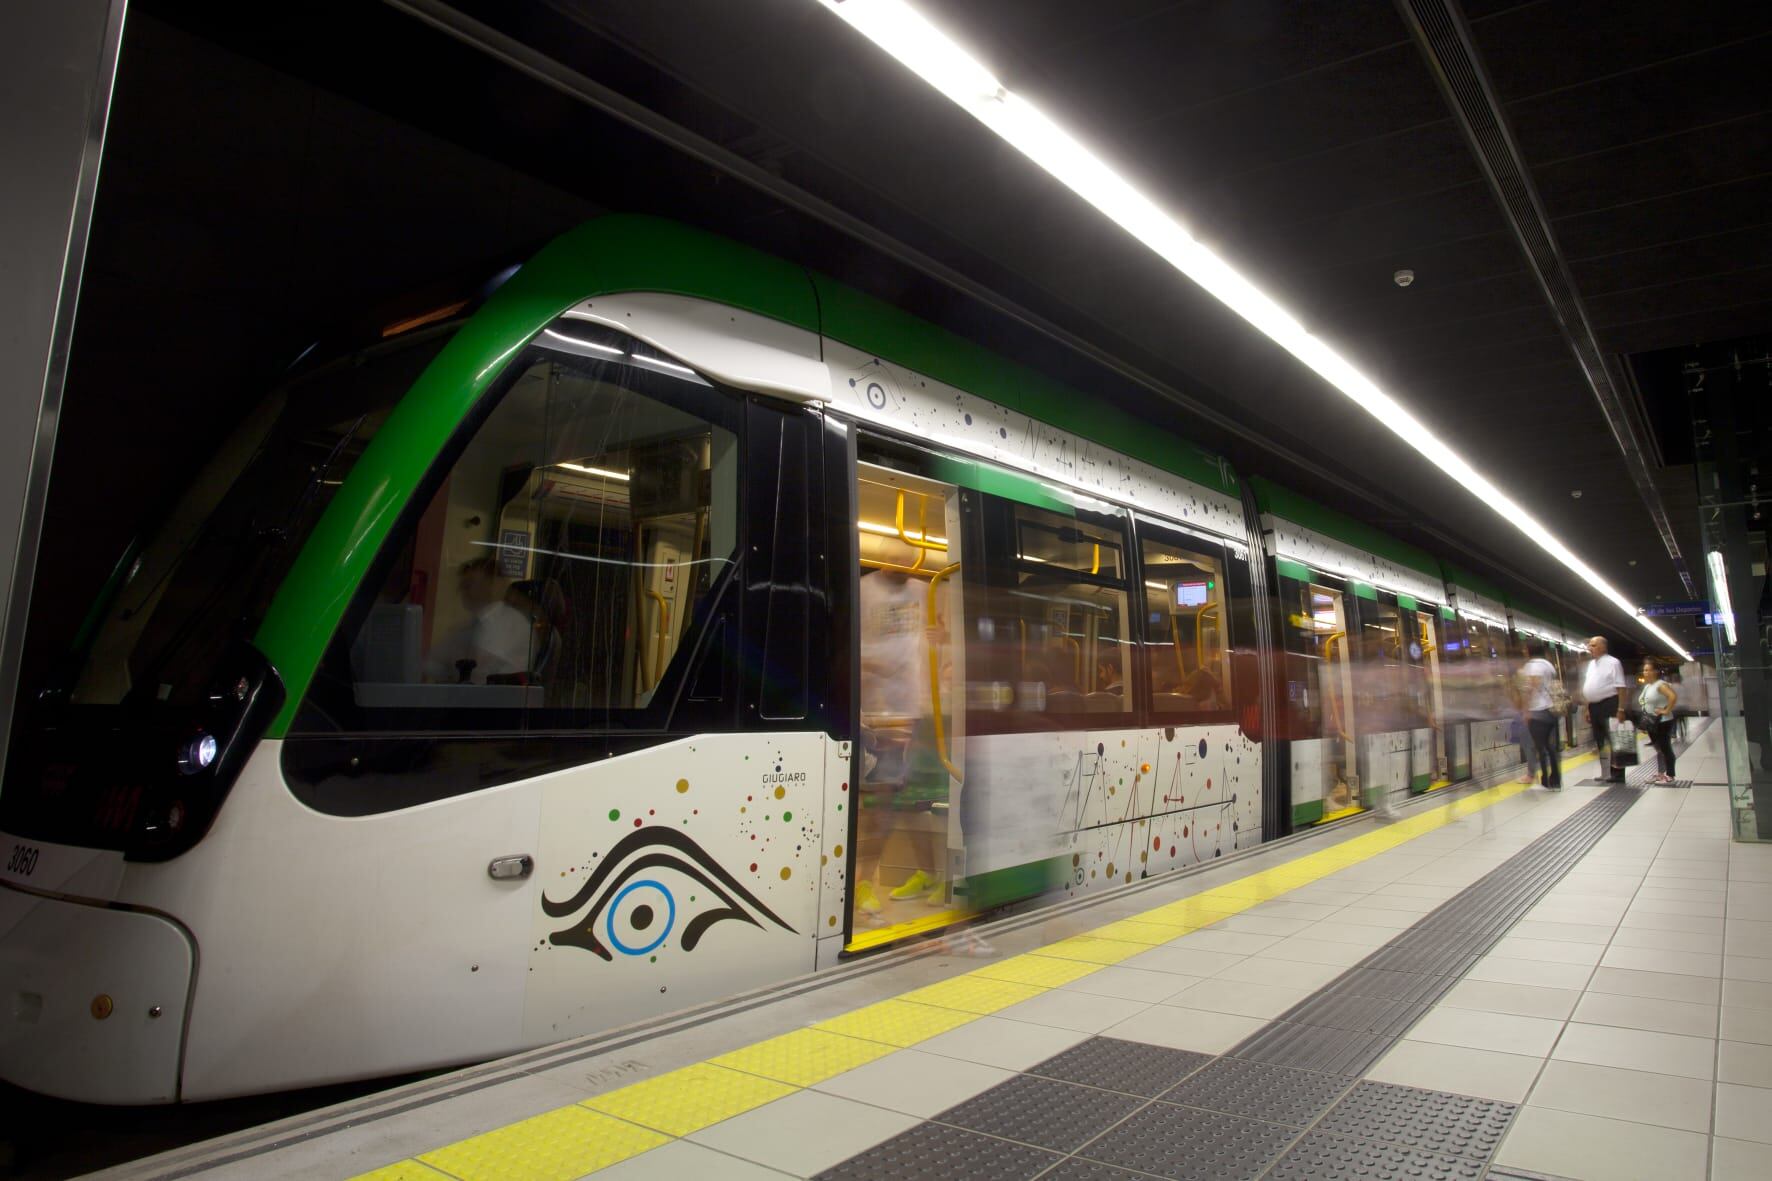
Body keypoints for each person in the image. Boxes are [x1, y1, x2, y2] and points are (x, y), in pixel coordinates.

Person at [433, 556, 532, 683]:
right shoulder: (469, 626)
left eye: (469, 584)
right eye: (463, 585)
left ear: (493, 584)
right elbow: (433, 663)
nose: (462, 590)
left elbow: (479, 673)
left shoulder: (513, 624)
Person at [1519, 643, 1562, 789]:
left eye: (1525, 649)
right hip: (1552, 709)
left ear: (1529, 650)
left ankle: (1546, 779)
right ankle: (1555, 778)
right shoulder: (1548, 665)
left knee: (1541, 747)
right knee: (1550, 746)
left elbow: (1531, 687)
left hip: (1538, 710)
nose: (1524, 651)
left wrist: (1526, 710)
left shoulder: (1532, 666)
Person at [1579, 635, 1630, 758]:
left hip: (1609, 705)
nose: (1589, 648)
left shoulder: (1613, 662)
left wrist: (1621, 709)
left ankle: (1617, 776)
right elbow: (1589, 686)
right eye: (1589, 645)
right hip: (1594, 707)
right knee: (1599, 740)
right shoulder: (1591, 664)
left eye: (1593, 645)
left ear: (1603, 647)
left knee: (1614, 741)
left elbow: (1621, 688)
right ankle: (1606, 773)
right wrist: (1587, 708)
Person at [1637, 660, 1679, 783]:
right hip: (1652, 722)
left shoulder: (1661, 685)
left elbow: (1673, 696)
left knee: (1665, 748)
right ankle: (1661, 773)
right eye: (1644, 670)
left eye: (1648, 670)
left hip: (1663, 721)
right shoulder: (1648, 686)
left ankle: (1670, 775)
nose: (1645, 672)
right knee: (1658, 749)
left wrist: (1666, 710)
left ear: (1655, 671)